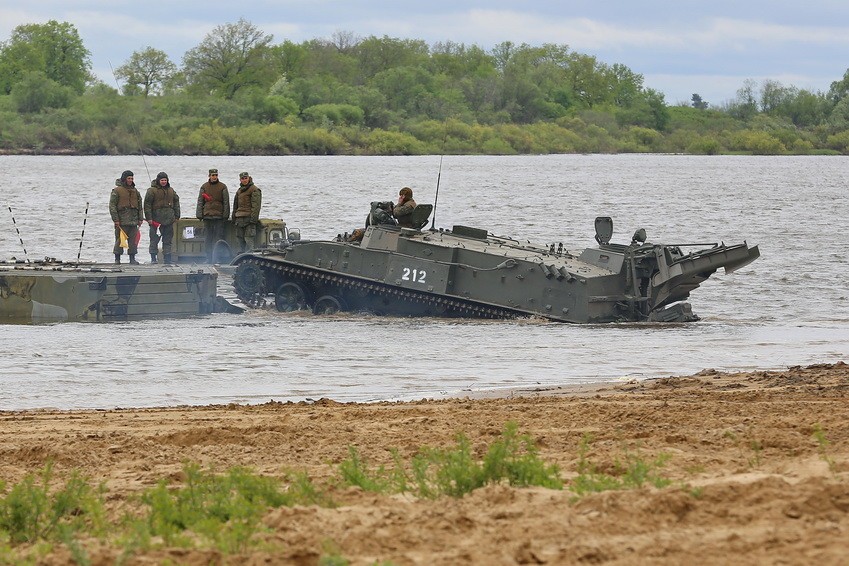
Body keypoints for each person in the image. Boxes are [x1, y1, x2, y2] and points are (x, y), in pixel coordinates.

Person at [144, 172, 181, 264]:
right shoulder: (151, 191)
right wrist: (149, 218)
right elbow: (147, 205)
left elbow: (176, 202)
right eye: (162, 180)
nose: (164, 182)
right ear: (158, 180)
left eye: (165, 180)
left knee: (167, 240)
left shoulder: (171, 190)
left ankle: (167, 259)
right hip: (155, 220)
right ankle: (153, 258)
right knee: (154, 239)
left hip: (169, 219)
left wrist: (177, 215)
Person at [109, 170, 143, 264]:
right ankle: (117, 259)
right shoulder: (117, 191)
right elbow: (112, 206)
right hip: (121, 221)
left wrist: (140, 218)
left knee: (133, 242)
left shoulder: (136, 191)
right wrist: (115, 219)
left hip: (133, 221)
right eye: (128, 178)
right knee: (120, 241)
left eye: (132, 178)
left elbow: (140, 206)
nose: (130, 180)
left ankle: (132, 259)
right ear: (124, 179)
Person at [196, 168, 230, 263]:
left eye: (216, 175)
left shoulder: (223, 187)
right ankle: (208, 257)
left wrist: (225, 215)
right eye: (213, 175)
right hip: (207, 216)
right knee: (208, 238)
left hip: (219, 216)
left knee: (219, 238)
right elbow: (200, 201)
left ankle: (218, 258)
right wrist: (199, 214)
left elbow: (226, 202)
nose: (214, 177)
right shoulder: (204, 186)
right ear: (209, 176)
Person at [232, 171, 262, 253]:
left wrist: (253, 220)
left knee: (249, 240)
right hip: (239, 219)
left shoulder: (254, 190)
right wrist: (234, 217)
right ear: (240, 180)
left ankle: (249, 258)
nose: (244, 180)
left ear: (249, 178)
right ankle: (240, 258)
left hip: (249, 219)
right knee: (239, 239)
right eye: (242, 179)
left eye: (246, 178)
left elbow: (256, 207)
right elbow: (235, 205)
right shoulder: (239, 191)